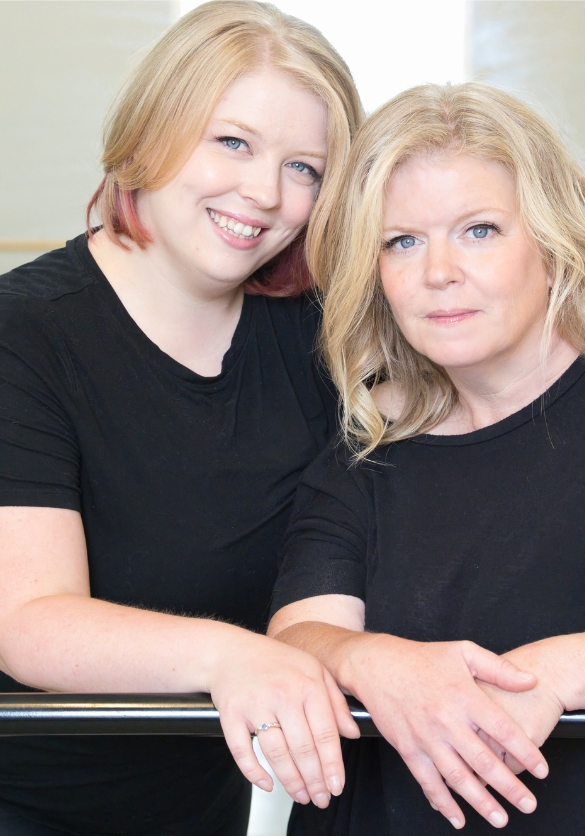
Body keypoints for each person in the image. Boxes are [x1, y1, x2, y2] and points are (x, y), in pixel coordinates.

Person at [0, 3, 367, 834]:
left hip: (206, 805)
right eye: (232, 142)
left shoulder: (317, 328)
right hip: (28, 801)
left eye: (304, 168)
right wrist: (234, 655)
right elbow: (27, 622)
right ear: (152, 131)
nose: (266, 194)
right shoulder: (25, 334)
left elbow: (482, 334)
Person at [269, 81, 585, 836]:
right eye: (401, 241)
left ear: (551, 237)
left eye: (479, 230)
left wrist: (557, 674)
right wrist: (375, 661)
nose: (437, 271)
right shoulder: (368, 448)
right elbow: (298, 633)